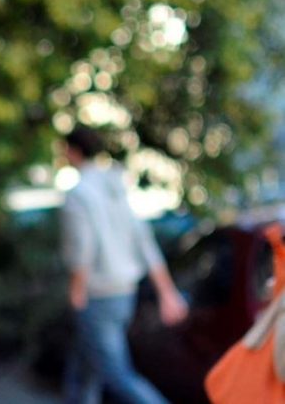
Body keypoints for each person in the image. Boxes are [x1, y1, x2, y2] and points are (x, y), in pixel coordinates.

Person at [59, 125, 187, 404]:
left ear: (73, 151)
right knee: (84, 373)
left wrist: (76, 293)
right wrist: (167, 292)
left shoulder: (79, 194)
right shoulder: (116, 189)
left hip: (97, 297)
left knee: (116, 375)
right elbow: (144, 243)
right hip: (124, 294)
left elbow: (82, 248)